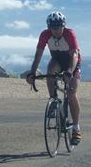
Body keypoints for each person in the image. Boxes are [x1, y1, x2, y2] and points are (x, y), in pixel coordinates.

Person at [26, 11, 82, 145]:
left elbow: (74, 54)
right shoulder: (45, 35)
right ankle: (53, 100)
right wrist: (32, 72)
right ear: (49, 27)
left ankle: (76, 128)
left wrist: (69, 71)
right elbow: (38, 54)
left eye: (58, 27)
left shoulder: (70, 33)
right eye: (53, 28)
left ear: (63, 26)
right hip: (57, 60)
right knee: (50, 70)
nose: (56, 31)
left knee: (72, 93)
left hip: (72, 63)